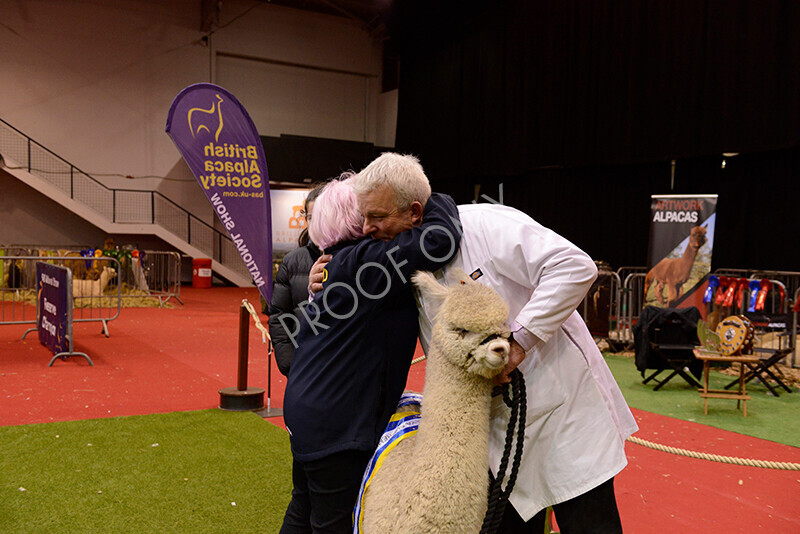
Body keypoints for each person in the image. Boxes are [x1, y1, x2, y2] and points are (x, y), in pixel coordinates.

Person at [311, 153, 639, 533]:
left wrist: (519, 341)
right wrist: (321, 276)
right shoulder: (399, 258)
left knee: (589, 523)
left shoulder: (487, 224)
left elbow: (574, 266)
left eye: (378, 217)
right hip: (492, 429)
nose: (367, 227)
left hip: (559, 410)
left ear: (415, 212)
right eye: (364, 216)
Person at [279, 170, 461, 533]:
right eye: (366, 213)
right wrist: (432, 200)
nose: (370, 222)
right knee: (332, 521)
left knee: (304, 509)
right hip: (337, 425)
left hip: (309, 412)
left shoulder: (335, 264)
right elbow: (439, 240)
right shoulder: (365, 261)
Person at [268, 183, 325, 376]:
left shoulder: (355, 258)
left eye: (324, 217)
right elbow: (278, 315)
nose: (317, 223)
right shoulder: (292, 262)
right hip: (302, 367)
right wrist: (289, 364)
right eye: (311, 217)